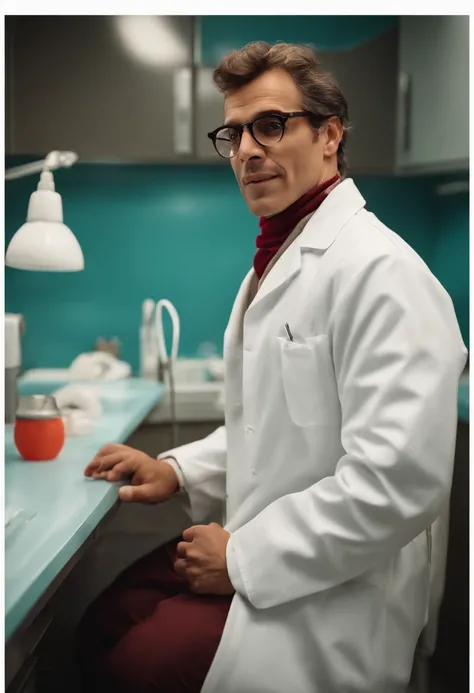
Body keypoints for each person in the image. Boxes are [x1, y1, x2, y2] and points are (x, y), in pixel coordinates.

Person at [77, 41, 467, 693]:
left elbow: (395, 482)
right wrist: (176, 469)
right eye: (234, 133)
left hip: (338, 588)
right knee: (103, 620)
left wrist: (242, 556)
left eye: (270, 124)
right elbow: (271, 431)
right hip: (275, 553)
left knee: (135, 663)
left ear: (330, 135)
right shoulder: (282, 259)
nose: (247, 150)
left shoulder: (383, 274)